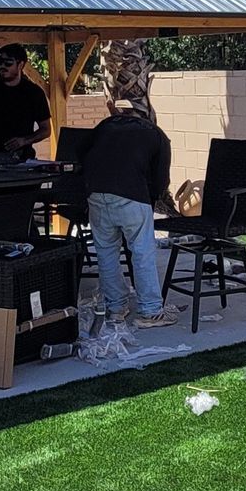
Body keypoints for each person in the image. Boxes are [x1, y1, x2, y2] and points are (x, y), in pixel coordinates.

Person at [78, 98, 174, 328]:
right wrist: (150, 201)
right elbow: (161, 180)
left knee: (106, 252)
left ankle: (115, 308)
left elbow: (80, 152)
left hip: (96, 193)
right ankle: (150, 312)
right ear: (147, 115)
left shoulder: (106, 125)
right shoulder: (156, 134)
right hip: (132, 194)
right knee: (142, 252)